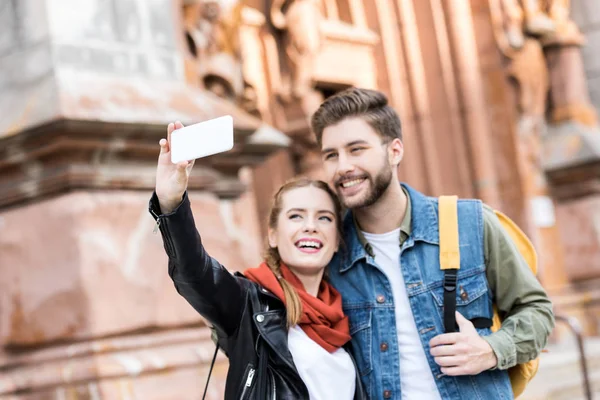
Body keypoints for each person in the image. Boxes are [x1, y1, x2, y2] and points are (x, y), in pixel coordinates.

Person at [310, 88, 555, 399]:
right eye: (331, 155)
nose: (342, 166)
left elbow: (537, 310)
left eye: (356, 149)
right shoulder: (328, 254)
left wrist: (491, 349)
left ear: (394, 151)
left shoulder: (469, 222)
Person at [149, 122, 366, 400]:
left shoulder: (349, 314)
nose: (311, 226)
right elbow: (195, 273)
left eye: (324, 217)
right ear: (273, 235)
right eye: (296, 216)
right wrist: (171, 203)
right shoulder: (248, 303)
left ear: (336, 239)